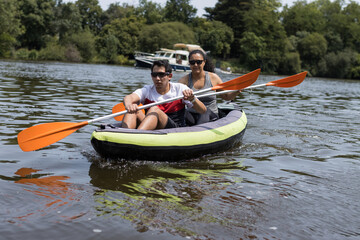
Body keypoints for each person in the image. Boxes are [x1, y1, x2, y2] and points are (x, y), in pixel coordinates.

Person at [121, 60, 207, 130]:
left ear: (169, 76)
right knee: (134, 108)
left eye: (161, 75)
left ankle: (136, 137)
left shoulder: (180, 89)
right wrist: (129, 105)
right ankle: (124, 136)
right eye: (154, 75)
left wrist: (192, 99)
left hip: (174, 129)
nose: (157, 79)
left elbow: (203, 110)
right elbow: (129, 97)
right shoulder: (147, 90)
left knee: (154, 109)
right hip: (153, 125)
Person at [178, 50, 241, 125]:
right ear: (189, 64)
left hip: (210, 114)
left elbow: (226, 96)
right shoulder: (183, 81)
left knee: (204, 114)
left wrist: (237, 91)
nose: (195, 65)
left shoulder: (214, 78)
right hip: (192, 114)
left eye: (198, 62)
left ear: (204, 62)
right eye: (192, 62)